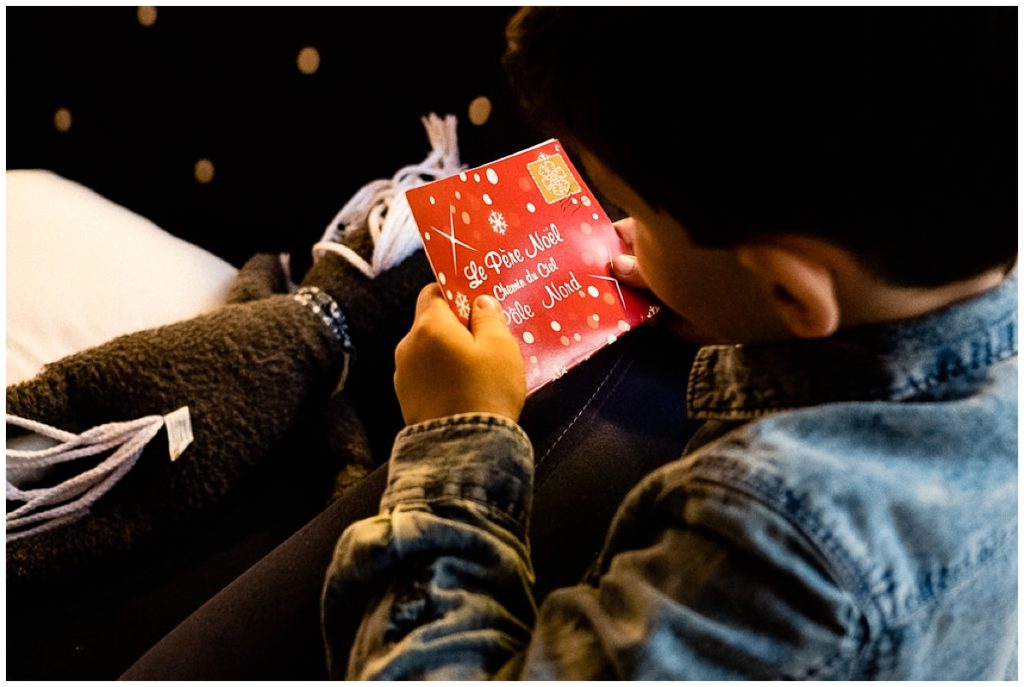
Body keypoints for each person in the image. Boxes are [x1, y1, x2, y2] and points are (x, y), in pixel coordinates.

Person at [321, 6, 1017, 680]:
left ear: (792, 289)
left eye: (638, 214)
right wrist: (747, 315)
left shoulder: (773, 549)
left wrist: (454, 442)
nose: (616, 230)